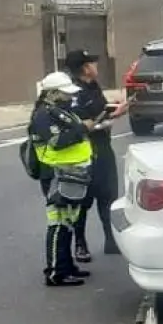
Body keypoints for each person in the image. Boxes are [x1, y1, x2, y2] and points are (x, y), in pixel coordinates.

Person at [29, 71, 95, 287]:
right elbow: (57, 141)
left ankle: (67, 267)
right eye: (65, 94)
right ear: (53, 93)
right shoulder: (43, 115)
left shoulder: (58, 111)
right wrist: (82, 128)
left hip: (69, 172)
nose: (69, 97)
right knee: (58, 222)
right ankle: (56, 272)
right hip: (55, 173)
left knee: (68, 221)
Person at [65, 49, 129, 262]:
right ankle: (80, 244)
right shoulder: (73, 93)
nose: (96, 66)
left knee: (108, 196)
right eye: (93, 62)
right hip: (84, 153)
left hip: (103, 149)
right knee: (82, 200)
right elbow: (80, 125)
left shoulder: (93, 87)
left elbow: (99, 111)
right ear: (85, 68)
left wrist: (116, 110)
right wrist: (110, 117)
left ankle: (111, 240)